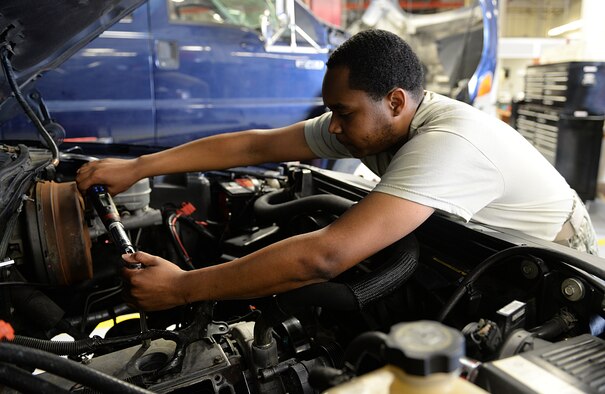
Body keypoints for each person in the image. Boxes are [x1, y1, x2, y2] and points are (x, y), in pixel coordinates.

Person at [76, 29, 598, 312]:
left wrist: (185, 287)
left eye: (344, 113)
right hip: (468, 244)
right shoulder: (373, 120)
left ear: (395, 101)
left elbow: (327, 255)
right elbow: (256, 145)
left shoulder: (452, 143)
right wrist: (139, 166)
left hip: (550, 270)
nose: (336, 129)